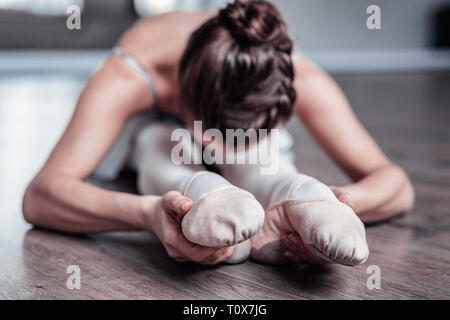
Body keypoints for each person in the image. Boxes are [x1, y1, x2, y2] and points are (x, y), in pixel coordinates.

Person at [22, 0, 414, 266]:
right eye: (212, 134)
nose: (221, 150)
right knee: (158, 143)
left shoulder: (294, 75)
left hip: (261, 150)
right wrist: (148, 215)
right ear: (181, 91)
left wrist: (338, 203)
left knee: (262, 159)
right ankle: (202, 192)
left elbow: (395, 184)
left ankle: (301, 196)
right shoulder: (130, 75)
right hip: (157, 136)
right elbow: (41, 196)